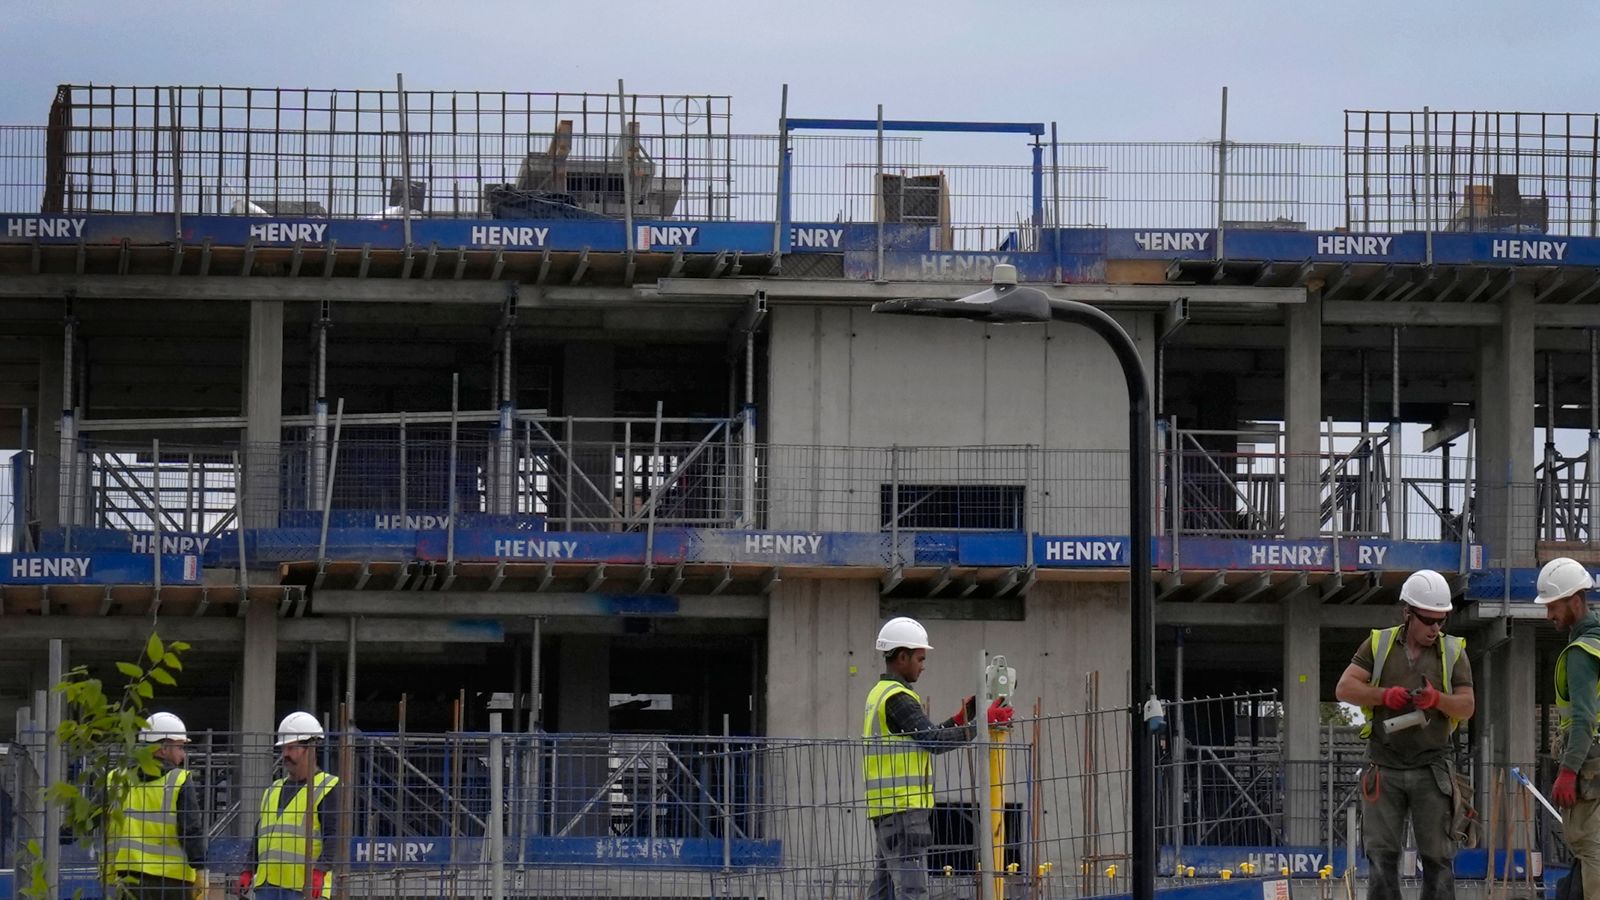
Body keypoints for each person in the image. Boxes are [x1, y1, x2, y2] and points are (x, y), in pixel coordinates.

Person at [1334, 569, 1474, 900]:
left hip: (1432, 768)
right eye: (1428, 620)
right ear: (1407, 613)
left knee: (1438, 859)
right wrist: (1384, 695)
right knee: (1382, 858)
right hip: (1384, 766)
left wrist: (1437, 700)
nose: (1435, 628)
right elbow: (1345, 687)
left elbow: (1467, 706)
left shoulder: (1452, 652)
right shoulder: (1379, 644)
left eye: (1441, 621)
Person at [863, 616, 1012, 900]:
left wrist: (962, 718)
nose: (923, 665)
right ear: (902, 656)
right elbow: (934, 742)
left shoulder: (879, 694)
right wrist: (982, 722)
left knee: (884, 893)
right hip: (905, 810)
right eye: (919, 658)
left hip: (887, 810)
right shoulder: (898, 698)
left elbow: (927, 735)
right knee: (912, 892)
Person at [1536, 557, 1600, 898]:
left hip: (1590, 767)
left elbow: (1583, 719)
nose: (1549, 616)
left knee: (1589, 849)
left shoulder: (1580, 652)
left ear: (1575, 600)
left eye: (1553, 607)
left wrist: (1568, 771)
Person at [105, 711, 207, 899]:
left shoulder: (118, 779)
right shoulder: (179, 779)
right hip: (173, 882)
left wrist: (62, 833)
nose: (183, 755)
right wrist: (200, 867)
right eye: (180, 747)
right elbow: (191, 829)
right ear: (163, 748)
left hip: (130, 877)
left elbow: (90, 814)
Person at [238, 712, 340, 900]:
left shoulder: (327, 787)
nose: (285, 754)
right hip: (266, 887)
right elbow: (259, 834)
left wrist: (320, 871)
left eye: (291, 748)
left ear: (310, 746)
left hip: (303, 888)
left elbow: (334, 836)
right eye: (283, 748)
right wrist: (248, 868)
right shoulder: (273, 790)